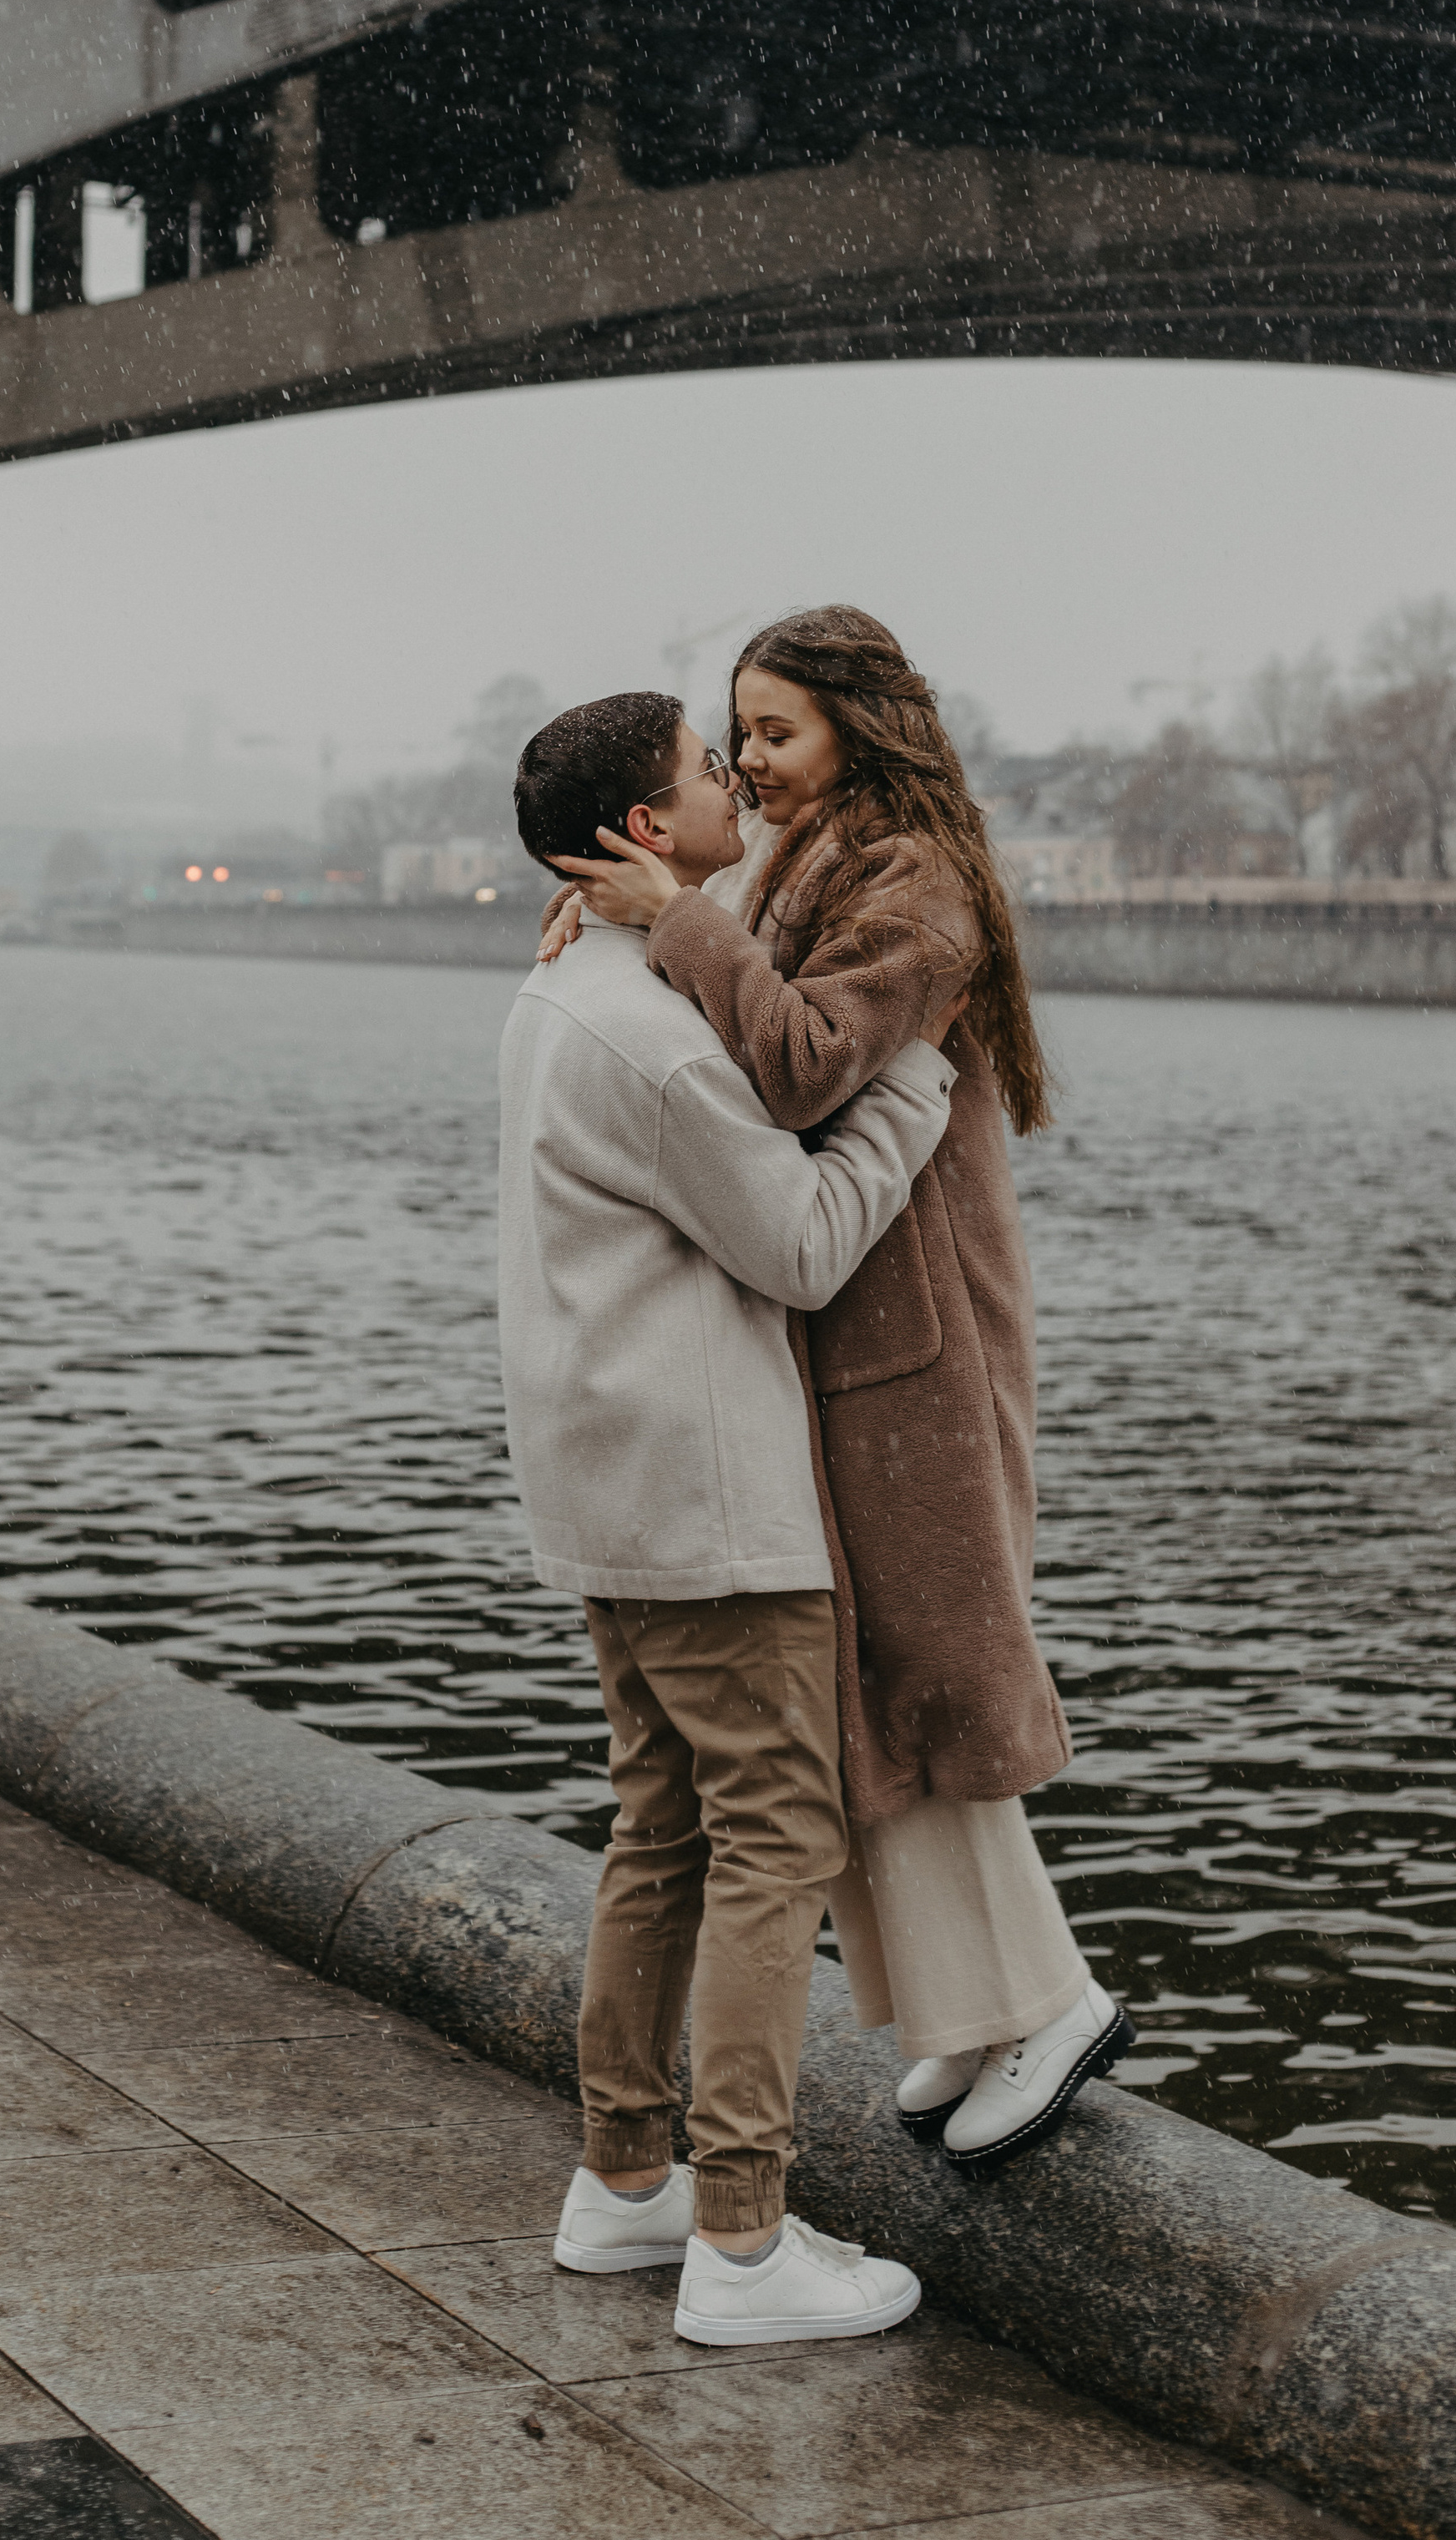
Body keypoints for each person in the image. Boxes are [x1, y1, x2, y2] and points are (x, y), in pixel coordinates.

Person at [546, 608, 1132, 2168]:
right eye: (737, 732)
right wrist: (611, 914)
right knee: (868, 1686)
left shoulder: (914, 885)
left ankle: (1051, 2000)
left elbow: (802, 1062)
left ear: (860, 732)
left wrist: (673, 920)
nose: (748, 761)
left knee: (935, 1668)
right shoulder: (809, 859)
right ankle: (976, 2012)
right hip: (845, 1320)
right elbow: (713, 956)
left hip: (915, 1340)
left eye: (777, 731)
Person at [501, 689, 962, 2347]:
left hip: (603, 1482)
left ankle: (626, 2182)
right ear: (643, 828)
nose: (735, 784)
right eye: (709, 770)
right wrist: (913, 1081)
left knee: (663, 1831)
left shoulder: (563, 988)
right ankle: (744, 2242)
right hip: (706, 1495)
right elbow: (804, 1244)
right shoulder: (652, 1033)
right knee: (773, 1839)